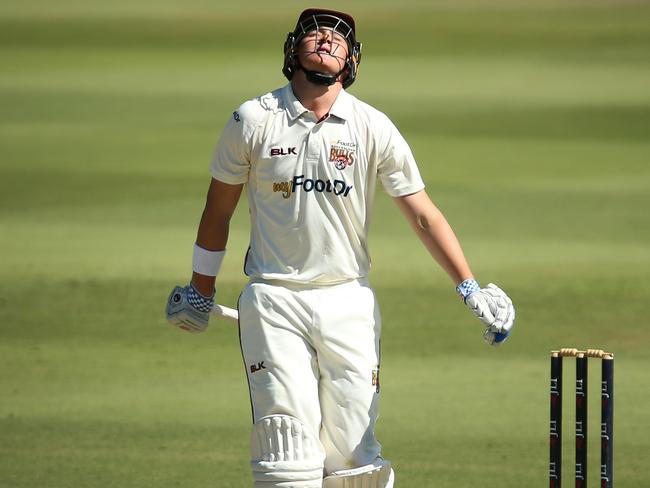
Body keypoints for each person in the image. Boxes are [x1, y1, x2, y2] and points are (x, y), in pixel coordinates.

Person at [166, 8, 515, 488]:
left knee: (354, 457)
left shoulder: (371, 125)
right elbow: (217, 211)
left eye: (338, 39)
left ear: (352, 59)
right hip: (274, 297)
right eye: (315, 35)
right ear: (293, 51)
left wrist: (469, 287)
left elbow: (422, 213)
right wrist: (201, 289)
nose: (327, 41)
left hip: (348, 299)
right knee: (285, 443)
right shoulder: (253, 119)